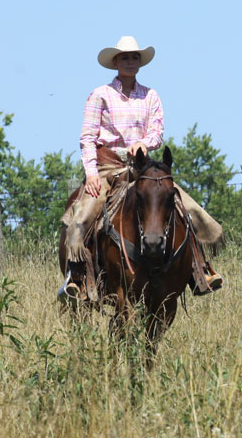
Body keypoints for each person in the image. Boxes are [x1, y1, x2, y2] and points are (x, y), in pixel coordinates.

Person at [59, 36, 223, 299]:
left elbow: (157, 132)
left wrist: (143, 144)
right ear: (115, 62)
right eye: (125, 57)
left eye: (135, 57)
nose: (131, 61)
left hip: (142, 168)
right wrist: (91, 173)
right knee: (83, 215)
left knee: (183, 205)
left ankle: (200, 269)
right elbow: (87, 137)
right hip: (107, 168)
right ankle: (76, 276)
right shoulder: (99, 95)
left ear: (140, 62)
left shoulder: (150, 95)